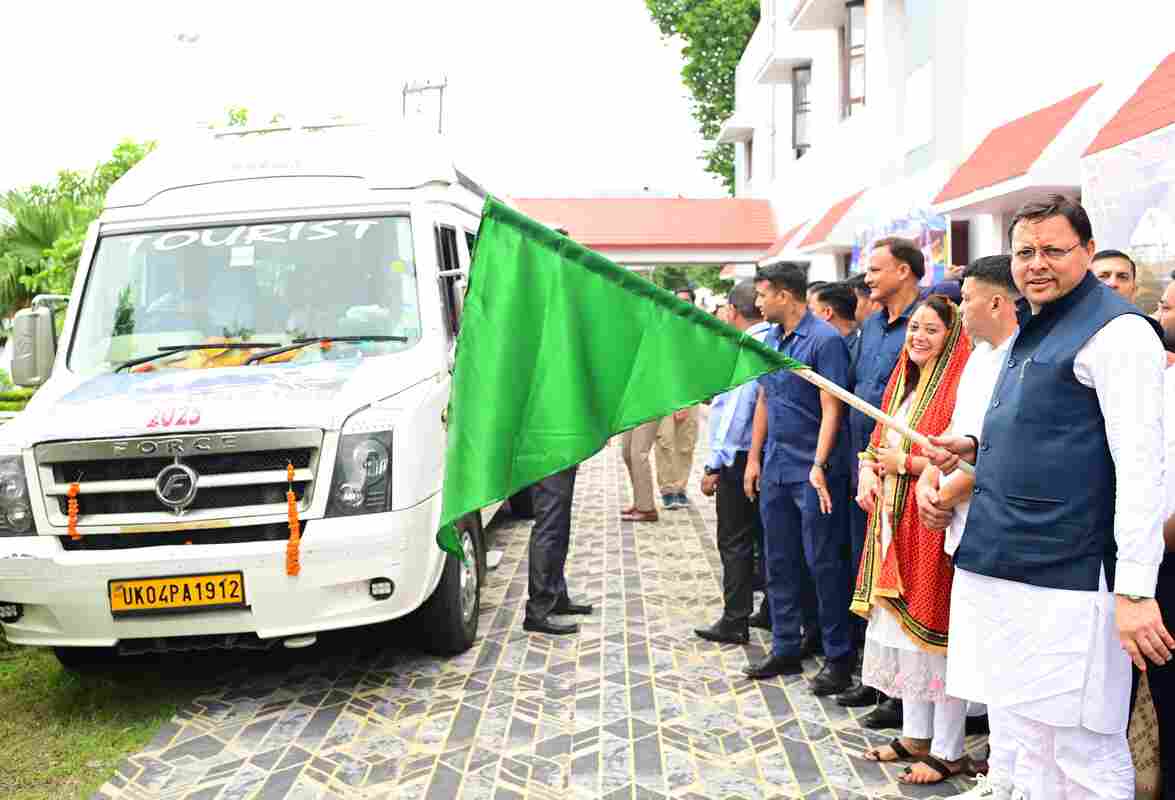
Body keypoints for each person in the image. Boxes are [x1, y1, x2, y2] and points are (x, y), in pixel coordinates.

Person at [932, 195, 1170, 799]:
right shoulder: (1031, 324)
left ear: (1087, 252)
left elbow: (1142, 469)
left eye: (1053, 250)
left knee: (1082, 748)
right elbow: (1036, 425)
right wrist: (968, 444)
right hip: (1001, 563)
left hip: (1070, 577)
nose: (1036, 264)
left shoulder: (1118, 333)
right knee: (1019, 732)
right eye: (1024, 252)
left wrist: (1137, 590)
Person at [853, 295, 973, 784]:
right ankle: (914, 736)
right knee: (903, 635)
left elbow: (963, 459)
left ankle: (948, 750)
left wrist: (903, 465)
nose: (918, 338)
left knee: (934, 633)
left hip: (929, 521)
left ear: (951, 337)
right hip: (891, 521)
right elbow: (879, 441)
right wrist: (867, 470)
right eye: (914, 329)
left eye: (931, 330)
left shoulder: (959, 387)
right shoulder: (905, 379)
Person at [913, 255, 1020, 791]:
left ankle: (1006, 767)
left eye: (966, 299)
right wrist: (931, 484)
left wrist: (946, 491)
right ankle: (993, 764)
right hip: (960, 523)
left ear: (997, 302)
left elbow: (1002, 449)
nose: (959, 310)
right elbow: (958, 433)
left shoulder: (1020, 360)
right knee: (973, 647)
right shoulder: (979, 358)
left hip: (999, 526)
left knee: (1006, 657)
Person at [742, 262, 856, 696]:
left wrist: (819, 464)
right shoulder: (772, 339)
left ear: (785, 296)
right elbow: (765, 399)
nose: (757, 302)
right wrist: (754, 459)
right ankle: (786, 645)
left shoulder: (824, 341)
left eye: (762, 294)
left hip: (813, 470)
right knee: (780, 559)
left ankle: (837, 657)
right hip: (776, 466)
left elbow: (833, 407)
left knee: (823, 562)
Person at [837, 238, 925, 726]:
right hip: (866, 465)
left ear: (906, 271)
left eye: (876, 269)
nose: (867, 279)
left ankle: (901, 696)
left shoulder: (929, 321)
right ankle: (872, 677)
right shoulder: (871, 326)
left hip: (907, 473)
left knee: (899, 579)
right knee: (864, 572)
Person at [695, 280, 772, 644]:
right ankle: (769, 609)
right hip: (764, 456)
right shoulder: (774, 338)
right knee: (765, 539)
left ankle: (735, 618)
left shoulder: (747, 348)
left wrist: (714, 464)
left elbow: (735, 415)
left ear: (732, 311)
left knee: (735, 541)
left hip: (741, 459)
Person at [523, 465, 594, 635]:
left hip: (558, 452)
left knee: (559, 523)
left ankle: (556, 597)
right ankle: (537, 611)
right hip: (548, 451)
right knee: (549, 525)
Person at [656, 289, 702, 510]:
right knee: (665, 443)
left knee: (686, 444)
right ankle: (667, 490)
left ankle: (681, 489)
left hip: (691, 395)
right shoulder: (664, 331)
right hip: (666, 396)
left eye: (687, 301)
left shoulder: (698, 332)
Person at [621, 421, 660, 522]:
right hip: (631, 408)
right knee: (627, 453)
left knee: (639, 454)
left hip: (648, 408)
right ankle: (639, 502)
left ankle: (647, 509)